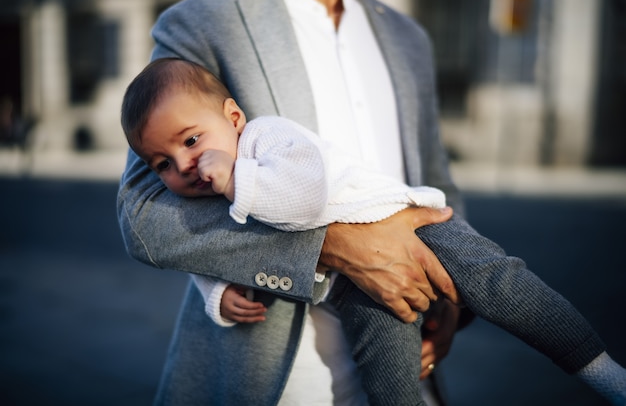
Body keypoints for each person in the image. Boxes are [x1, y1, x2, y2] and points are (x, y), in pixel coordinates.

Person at [121, 57, 626, 406]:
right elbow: (207, 251)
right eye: (162, 162)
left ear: (233, 116)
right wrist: (216, 293)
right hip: (351, 289)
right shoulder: (213, 182)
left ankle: (600, 369)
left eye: (191, 140)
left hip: (412, 225)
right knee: (388, 375)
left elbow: (306, 197)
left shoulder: (265, 138)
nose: (185, 165)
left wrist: (235, 180)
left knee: (504, 288)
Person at [117, 0, 468, 404]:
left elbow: (439, 184)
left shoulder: (407, 35)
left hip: (406, 366)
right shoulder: (207, 19)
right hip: (278, 378)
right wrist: (333, 247)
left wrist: (452, 294)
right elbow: (142, 214)